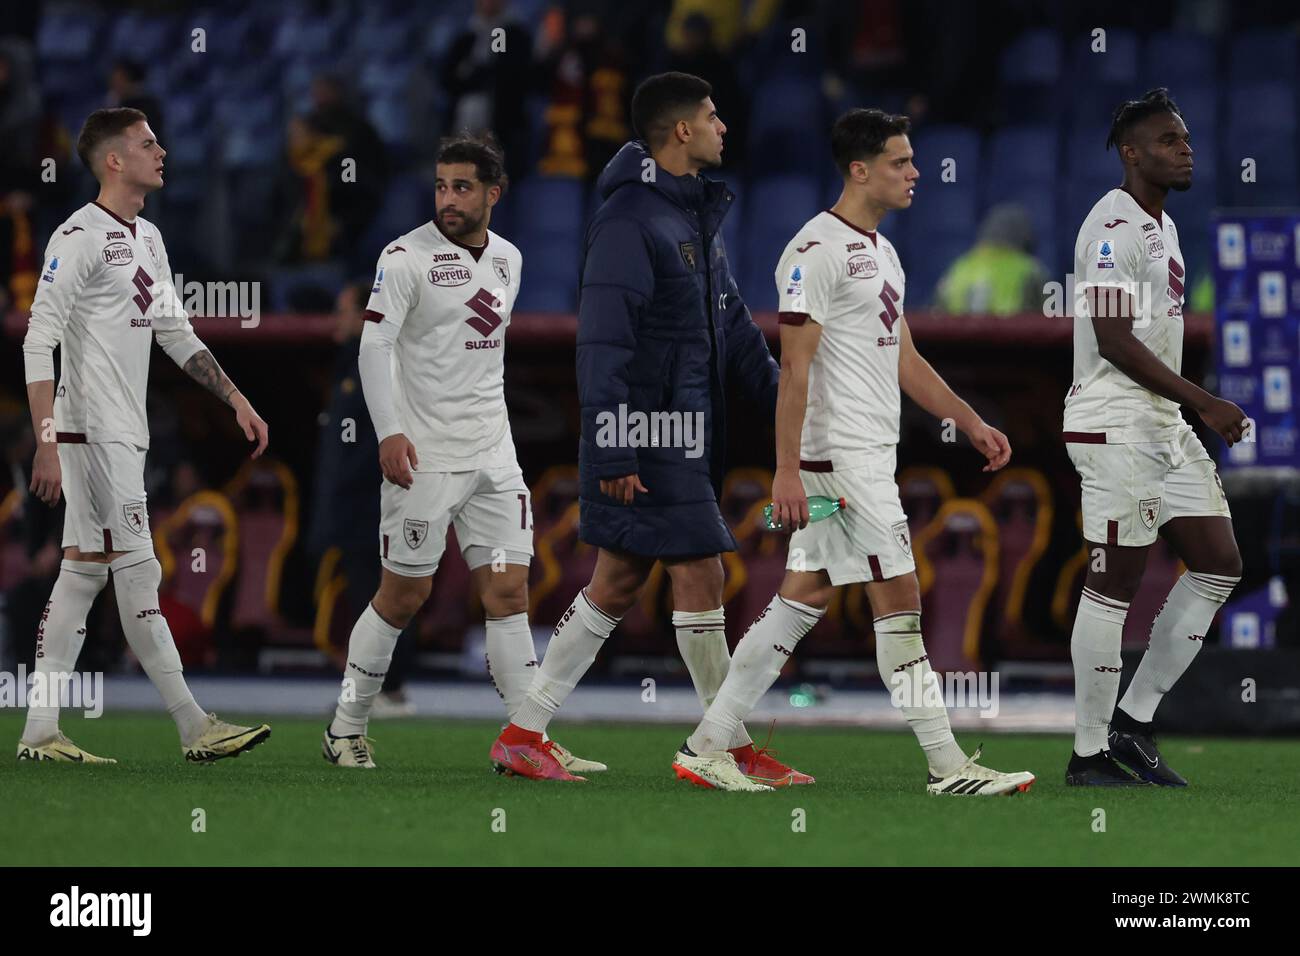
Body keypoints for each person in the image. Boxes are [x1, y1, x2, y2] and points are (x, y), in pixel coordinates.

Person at [670, 108, 1035, 793]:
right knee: (899, 597)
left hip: (862, 454)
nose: (916, 172)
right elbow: (795, 370)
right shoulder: (814, 252)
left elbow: (906, 357)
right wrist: (786, 469)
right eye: (901, 162)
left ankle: (707, 743)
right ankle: (947, 765)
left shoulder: (884, 252)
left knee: (799, 598)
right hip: (837, 459)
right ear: (860, 170)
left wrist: (970, 419)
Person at [490, 72, 809, 787]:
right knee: (700, 568)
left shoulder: (689, 219)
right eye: (713, 115)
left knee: (618, 579)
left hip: (680, 431)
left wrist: (801, 412)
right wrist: (614, 444)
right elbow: (603, 342)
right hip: (648, 429)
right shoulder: (630, 219)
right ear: (682, 132)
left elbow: (735, 338)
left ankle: (524, 731)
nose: (726, 126)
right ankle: (718, 743)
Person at [322, 132, 601, 772]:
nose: (448, 198)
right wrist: (389, 430)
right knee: (402, 597)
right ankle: (346, 727)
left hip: (493, 457)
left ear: (493, 194)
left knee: (508, 596)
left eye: (463, 187)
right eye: (442, 185)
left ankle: (525, 741)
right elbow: (374, 349)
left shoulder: (509, 259)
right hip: (424, 457)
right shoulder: (402, 258)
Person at [20, 107, 272, 763]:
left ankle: (39, 731)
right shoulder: (76, 237)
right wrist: (46, 440)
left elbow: (175, 333)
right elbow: (36, 339)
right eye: (146, 143)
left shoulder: (150, 239)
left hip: (122, 432)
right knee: (139, 570)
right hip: (88, 431)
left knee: (81, 573)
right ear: (113, 160)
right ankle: (195, 725)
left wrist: (237, 397)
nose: (161, 151)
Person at [1063, 89, 1243, 787]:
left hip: (1160, 425)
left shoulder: (1161, 228)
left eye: (1187, 139)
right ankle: (1086, 755)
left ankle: (1132, 725)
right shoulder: (1112, 227)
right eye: (1169, 141)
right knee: (1114, 583)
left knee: (1218, 563)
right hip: (1114, 425)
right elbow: (1110, 338)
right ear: (1132, 154)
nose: (1185, 149)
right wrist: (1204, 401)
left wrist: (1187, 410)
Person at [306, 280, 418, 716]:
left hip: (375, 506)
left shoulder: (379, 363)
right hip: (351, 510)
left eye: (344, 311)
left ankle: (388, 689)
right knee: (366, 597)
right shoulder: (346, 364)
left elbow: (376, 443)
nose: (339, 320)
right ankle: (377, 689)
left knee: (386, 596)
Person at [934, 203, 1048, 316]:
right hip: (1011, 334)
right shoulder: (1030, 270)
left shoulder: (957, 269)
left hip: (955, 334)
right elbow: (1054, 321)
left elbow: (931, 319)